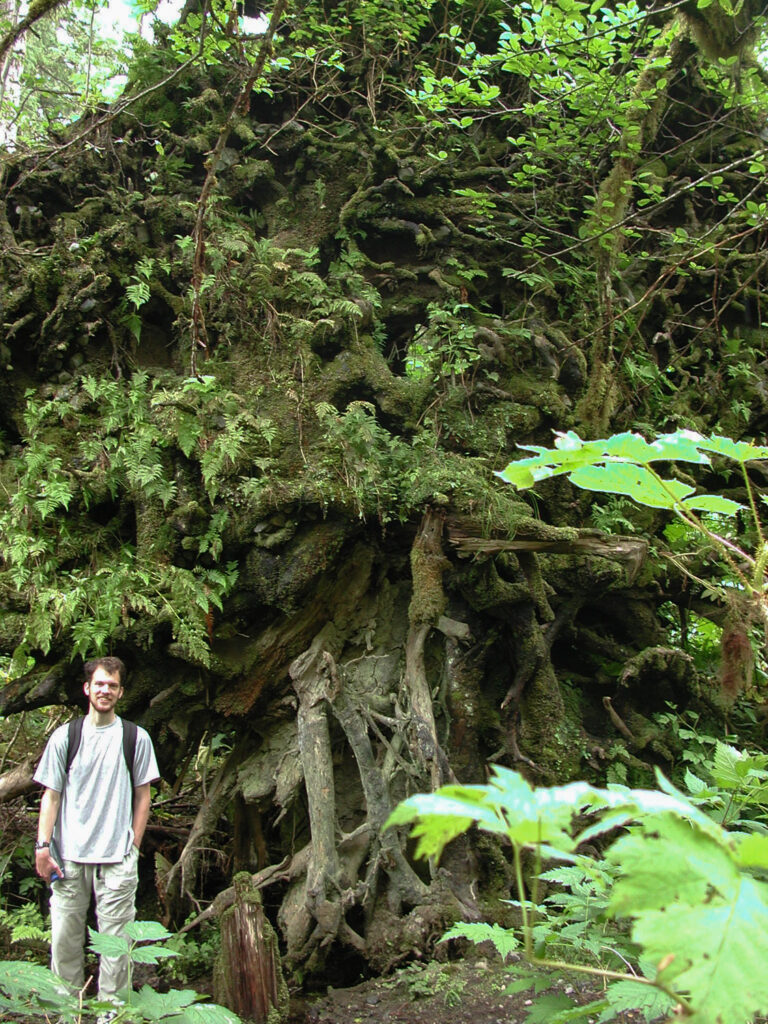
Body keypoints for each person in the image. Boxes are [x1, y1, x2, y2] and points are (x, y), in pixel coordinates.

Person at [34, 656, 160, 1004]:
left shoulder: (135, 738)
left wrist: (132, 848)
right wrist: (42, 847)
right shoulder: (66, 737)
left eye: (113, 685)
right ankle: (66, 1010)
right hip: (68, 859)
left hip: (115, 860)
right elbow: (51, 796)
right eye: (100, 684)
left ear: (120, 692)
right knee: (64, 941)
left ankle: (112, 1012)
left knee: (117, 947)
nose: (105, 690)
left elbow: (143, 797)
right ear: (87, 688)